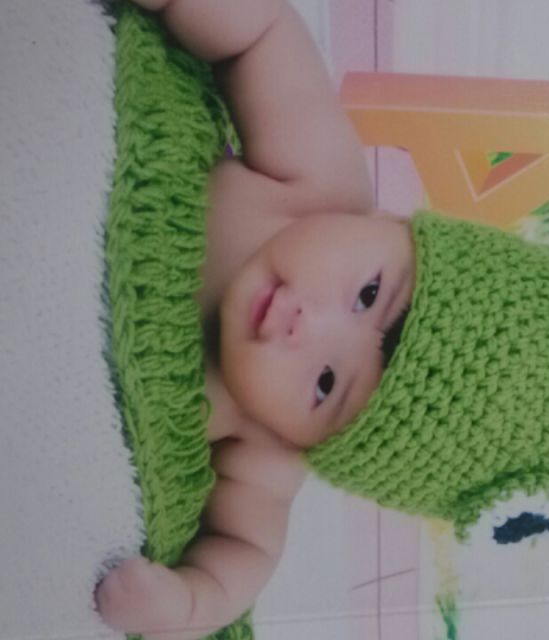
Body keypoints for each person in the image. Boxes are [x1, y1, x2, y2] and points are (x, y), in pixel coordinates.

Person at [96, 1, 416, 638]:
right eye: (368, 293)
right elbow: (262, 34)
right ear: (397, 227)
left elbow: (243, 557)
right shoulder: (324, 183)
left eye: (326, 384)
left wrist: (185, 605)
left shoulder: (272, 445)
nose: (305, 326)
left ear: (323, 445)